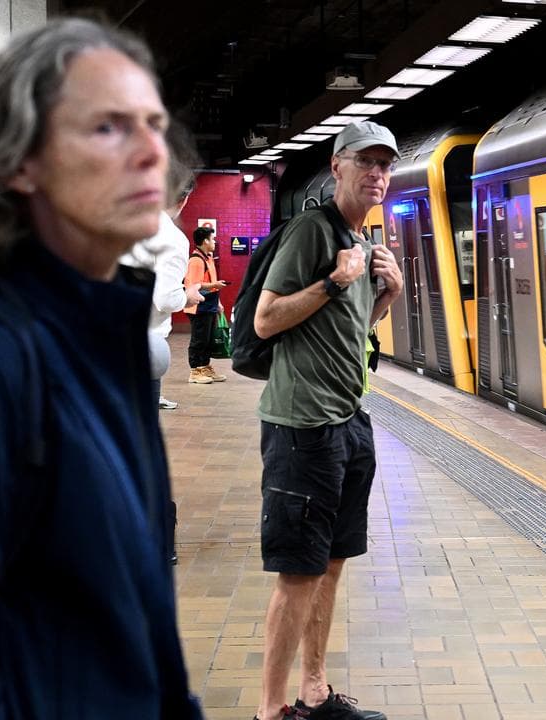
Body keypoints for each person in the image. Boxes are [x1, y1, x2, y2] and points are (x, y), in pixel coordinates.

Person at [0, 17, 201, 718]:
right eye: (108, 127)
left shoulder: (105, 346)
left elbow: (138, 619)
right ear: (18, 161)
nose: (151, 152)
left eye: (154, 124)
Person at [250, 120, 403, 720]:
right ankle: (270, 710)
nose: (377, 174)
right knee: (297, 574)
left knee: (332, 563)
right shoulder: (313, 233)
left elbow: (346, 333)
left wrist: (383, 295)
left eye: (385, 165)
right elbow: (266, 321)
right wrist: (334, 280)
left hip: (347, 423)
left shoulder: (362, 241)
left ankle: (314, 691)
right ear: (336, 167)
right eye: (365, 162)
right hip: (301, 429)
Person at [121, 124, 205, 410]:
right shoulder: (171, 238)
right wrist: (189, 295)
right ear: (183, 199)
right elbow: (165, 298)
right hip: (141, 346)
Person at [185, 224, 227, 383]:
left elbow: (211, 282)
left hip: (210, 303)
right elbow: (195, 284)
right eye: (212, 239)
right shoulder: (196, 260)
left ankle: (205, 367)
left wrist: (219, 303)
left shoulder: (208, 258)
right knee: (199, 339)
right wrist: (215, 285)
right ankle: (195, 371)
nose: (214, 242)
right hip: (197, 305)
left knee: (208, 339)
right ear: (204, 241)